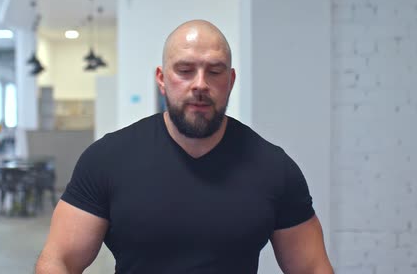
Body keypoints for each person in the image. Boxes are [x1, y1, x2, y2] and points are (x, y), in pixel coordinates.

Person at [35, 20, 333, 273]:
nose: (200, 84)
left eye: (214, 71)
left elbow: (312, 268)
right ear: (162, 80)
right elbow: (59, 260)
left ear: (230, 81)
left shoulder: (274, 169)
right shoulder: (107, 159)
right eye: (185, 70)